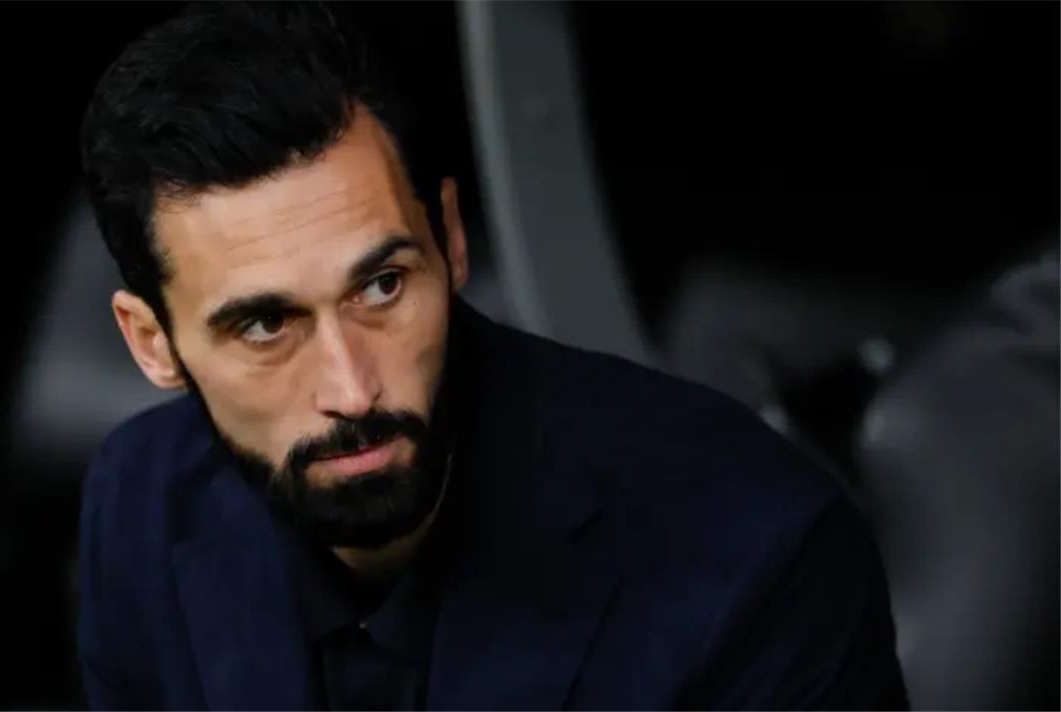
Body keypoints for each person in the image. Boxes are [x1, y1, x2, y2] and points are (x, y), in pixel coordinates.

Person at [77, 3, 908, 709]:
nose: (352, 389)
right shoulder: (141, 503)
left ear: (451, 239)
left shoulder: (759, 558)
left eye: (382, 287)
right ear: (153, 342)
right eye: (266, 326)